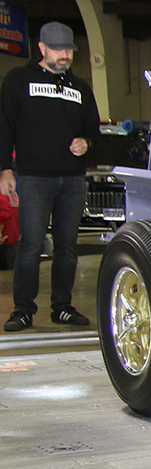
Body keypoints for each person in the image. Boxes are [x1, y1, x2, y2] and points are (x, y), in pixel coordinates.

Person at [1, 21, 101, 332]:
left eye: (69, 50)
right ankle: (23, 310)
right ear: (42, 48)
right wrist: (5, 169)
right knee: (30, 246)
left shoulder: (80, 88)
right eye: (57, 50)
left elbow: (93, 130)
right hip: (33, 178)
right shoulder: (19, 80)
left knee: (67, 247)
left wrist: (87, 143)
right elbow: (4, 127)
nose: (64, 55)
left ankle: (63, 307)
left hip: (72, 179)